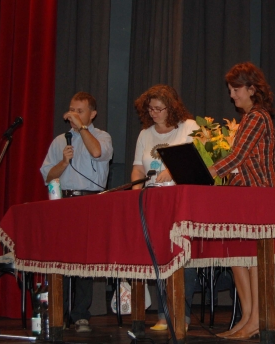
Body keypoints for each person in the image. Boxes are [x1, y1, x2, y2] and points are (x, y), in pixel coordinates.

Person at [209, 62, 275, 340]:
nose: (231, 95)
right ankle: (248, 318)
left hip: (259, 197)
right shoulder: (251, 117)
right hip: (245, 196)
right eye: (229, 89)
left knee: (253, 261)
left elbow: (236, 158)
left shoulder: (257, 117)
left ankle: (257, 320)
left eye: (236, 89)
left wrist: (204, 173)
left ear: (252, 88)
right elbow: (241, 166)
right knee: (239, 258)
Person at [40, 91, 113, 333]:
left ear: (92, 114)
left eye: (79, 111)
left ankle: (81, 314)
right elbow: (46, 175)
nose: (73, 114)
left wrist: (82, 129)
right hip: (63, 201)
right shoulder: (60, 141)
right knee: (61, 258)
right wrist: (62, 163)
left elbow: (96, 153)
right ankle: (58, 312)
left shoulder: (102, 137)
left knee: (83, 259)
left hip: (90, 202)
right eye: (72, 109)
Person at [130, 84, 199, 330]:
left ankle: (182, 315)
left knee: (181, 257)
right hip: (153, 203)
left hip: (181, 202)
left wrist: (174, 169)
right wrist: (135, 195)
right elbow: (138, 168)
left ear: (172, 107)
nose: (154, 113)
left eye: (159, 108)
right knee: (158, 258)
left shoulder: (188, 127)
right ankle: (162, 314)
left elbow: (198, 160)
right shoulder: (145, 134)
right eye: (150, 109)